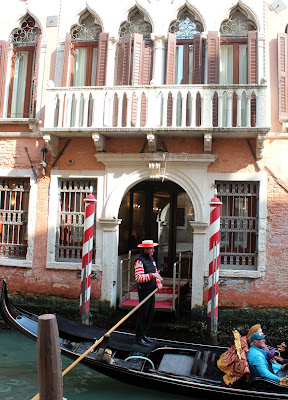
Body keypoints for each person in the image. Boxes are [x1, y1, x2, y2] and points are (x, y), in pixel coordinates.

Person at [134, 239, 163, 347]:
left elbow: (156, 274)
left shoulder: (151, 259)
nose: (153, 250)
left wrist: (158, 282)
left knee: (150, 313)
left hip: (151, 290)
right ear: (146, 249)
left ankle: (144, 334)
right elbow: (139, 278)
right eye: (151, 248)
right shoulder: (139, 261)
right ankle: (139, 337)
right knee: (143, 313)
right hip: (144, 290)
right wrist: (153, 276)